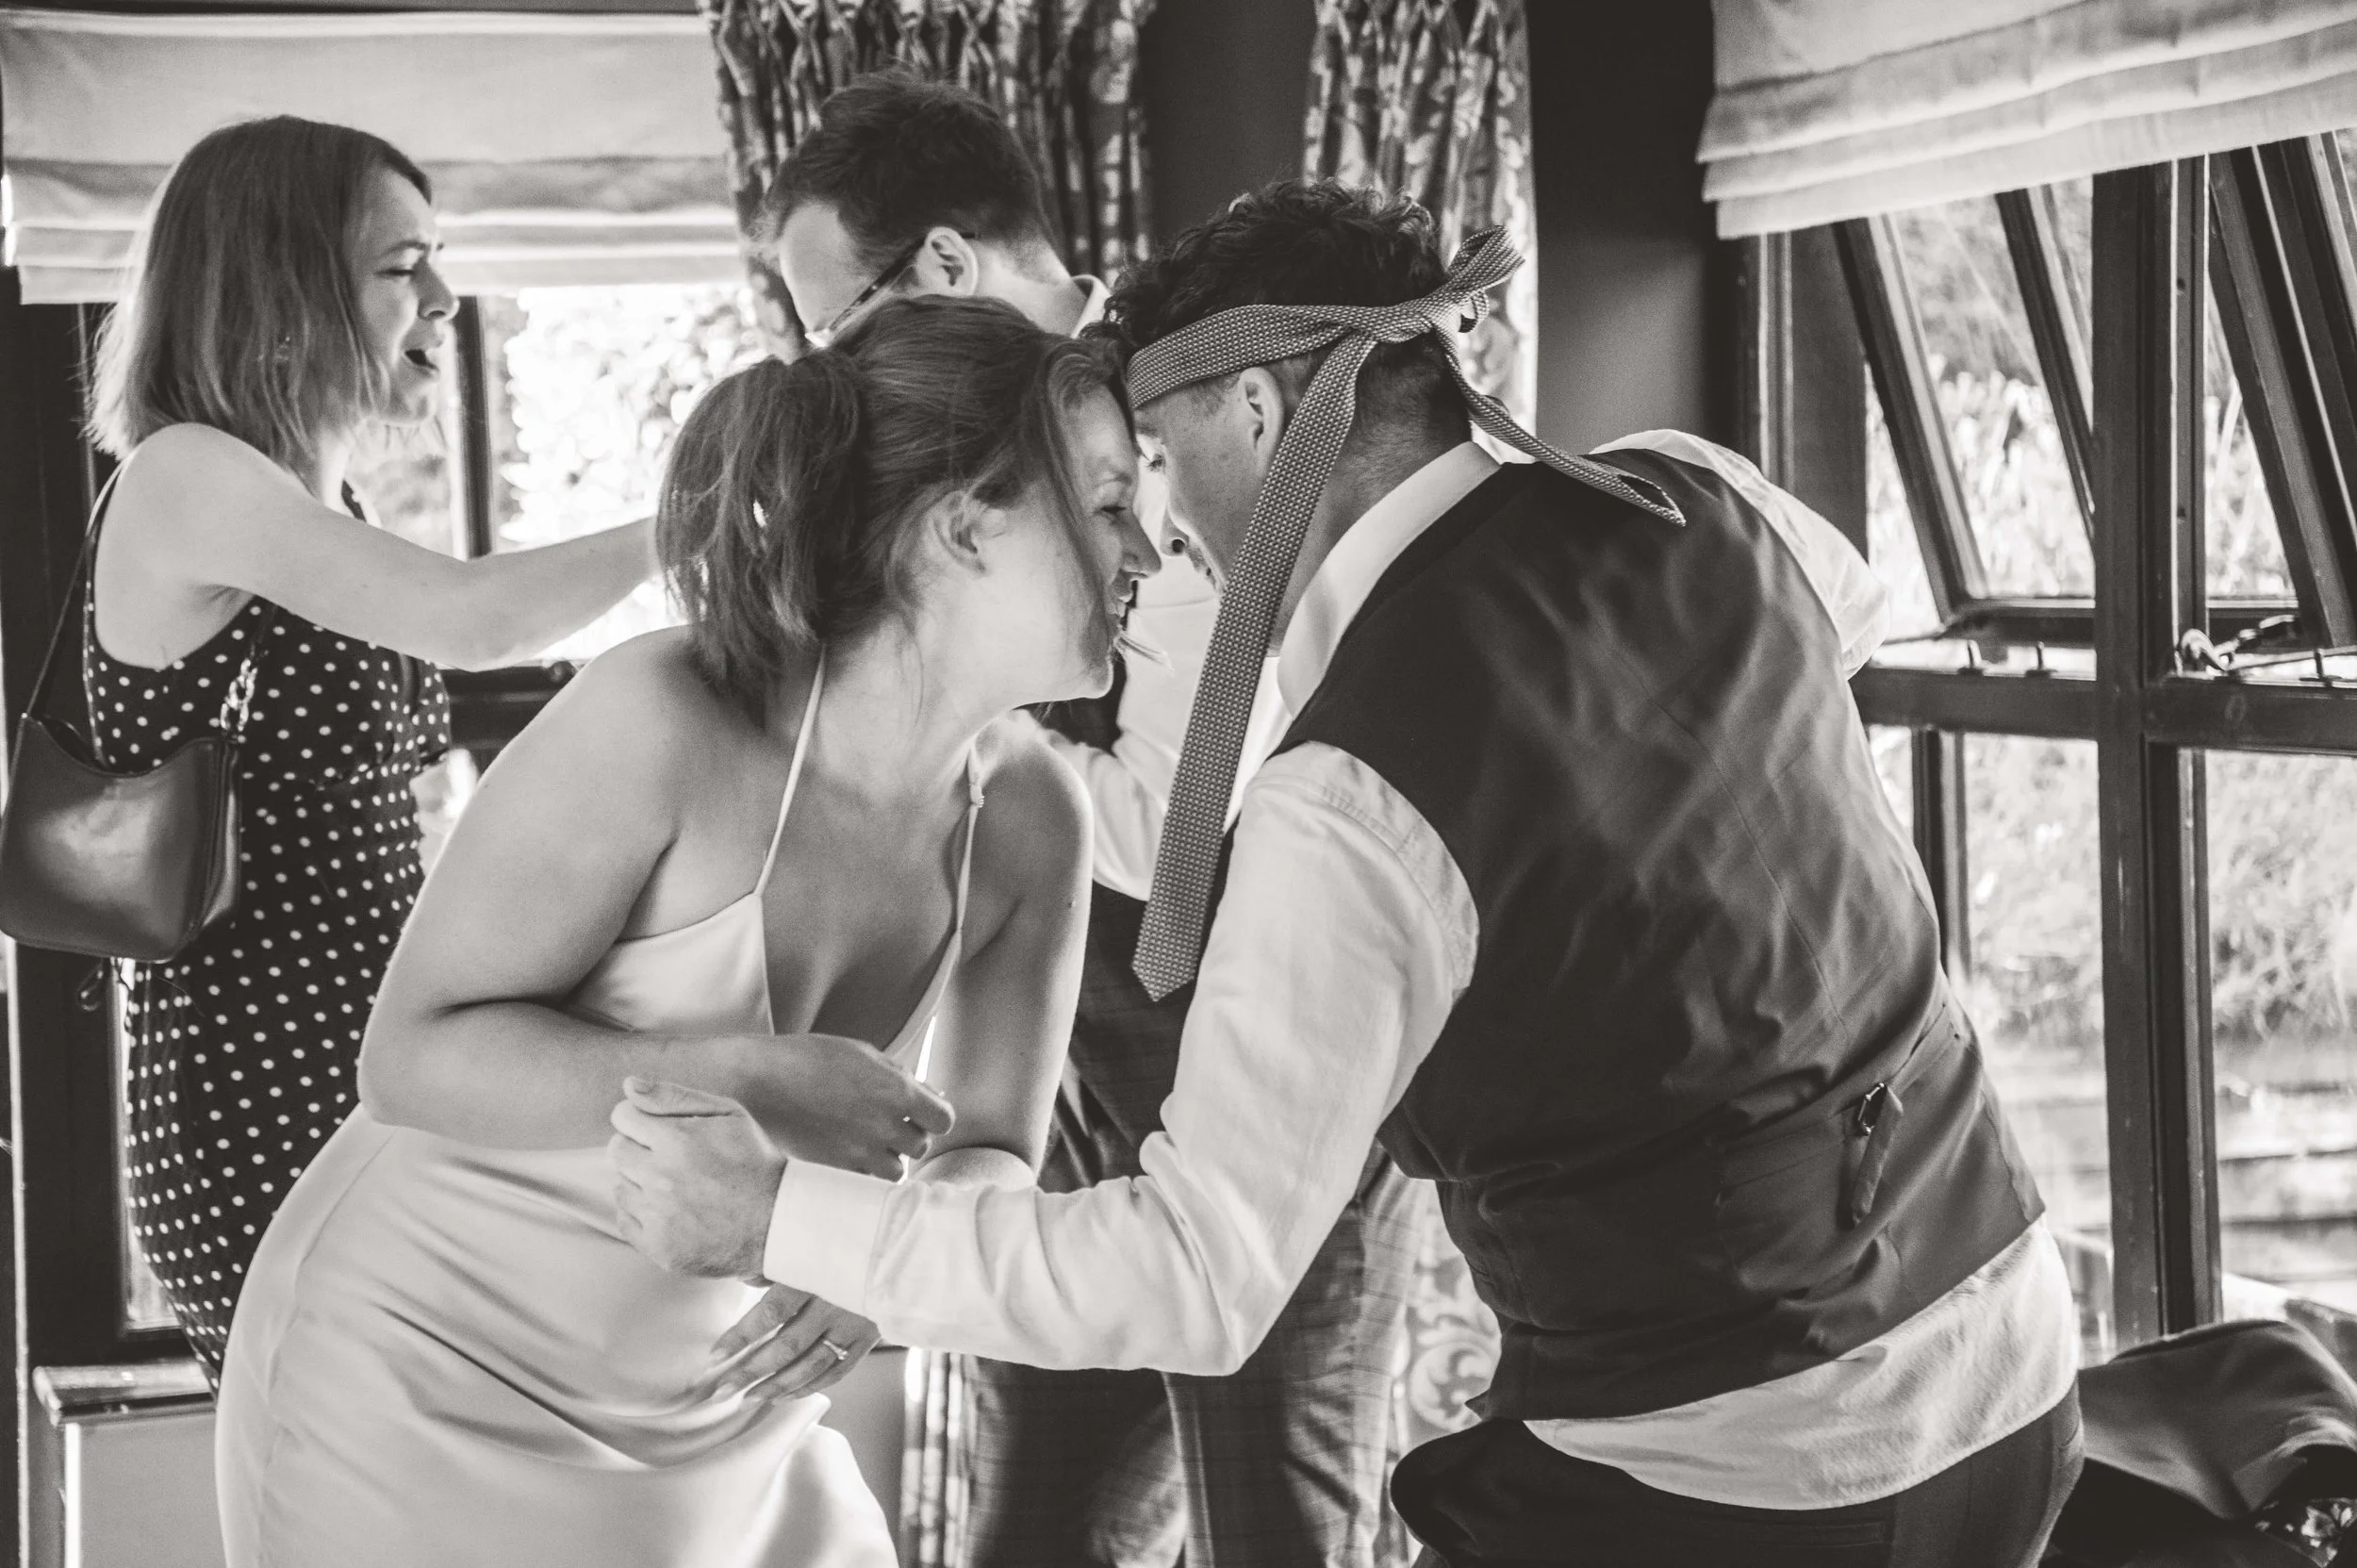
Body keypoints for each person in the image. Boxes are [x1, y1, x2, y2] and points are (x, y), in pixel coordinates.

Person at [614, 180, 2085, 1568]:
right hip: (2016, 1360)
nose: (1159, 531)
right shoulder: (1697, 494)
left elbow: (1197, 1271)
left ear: (1259, 406)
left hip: (1747, 1475)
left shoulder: (1347, 793)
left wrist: (776, 1218)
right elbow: (1849, 623)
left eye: (1163, 468)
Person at [212, 294, 1158, 1566]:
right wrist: (756, 1075)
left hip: (714, 1412)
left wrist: (885, 1266)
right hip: (422, 1369)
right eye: (1106, 505)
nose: (1148, 549)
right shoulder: (662, 715)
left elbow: (990, 1144)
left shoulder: (1037, 815)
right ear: (965, 526)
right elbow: (412, 1058)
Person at [765, 72, 1418, 1568]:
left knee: (1276, 1533)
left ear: (935, 270)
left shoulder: (1177, 415)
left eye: (834, 323)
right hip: (1069, 1068)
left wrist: (950, 720)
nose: (832, 367)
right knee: (1038, 1531)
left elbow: (1187, 824)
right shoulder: (975, 442)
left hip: (1268, 1053)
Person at [82, 115, 657, 1377]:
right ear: (280, 287)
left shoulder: (308, 504)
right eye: (403, 267)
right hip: (260, 1082)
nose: (445, 300)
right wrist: (707, 509)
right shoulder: (186, 476)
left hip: (380, 1072)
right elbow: (471, 617)